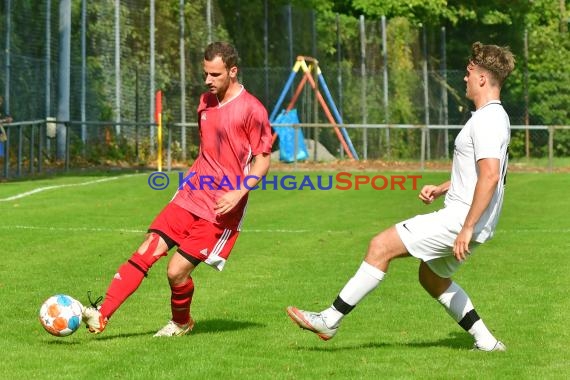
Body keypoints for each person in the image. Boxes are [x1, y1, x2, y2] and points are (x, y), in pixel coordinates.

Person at [287, 41, 515, 352]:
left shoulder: (487, 119)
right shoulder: (493, 117)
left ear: (483, 79)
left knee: (380, 246)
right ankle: (487, 342)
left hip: (462, 218)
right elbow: (481, 173)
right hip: (471, 217)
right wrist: (442, 187)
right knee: (432, 279)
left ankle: (330, 318)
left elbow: (490, 176)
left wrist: (466, 227)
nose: (465, 78)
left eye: (469, 72)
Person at [83, 41, 272, 337]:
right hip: (189, 196)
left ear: (233, 71)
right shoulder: (205, 102)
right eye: (206, 74)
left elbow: (262, 160)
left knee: (176, 272)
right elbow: (207, 150)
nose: (208, 80)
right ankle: (101, 315)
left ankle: (181, 322)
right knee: (146, 249)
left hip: (222, 208)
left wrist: (238, 192)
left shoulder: (253, 109)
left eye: (215, 74)